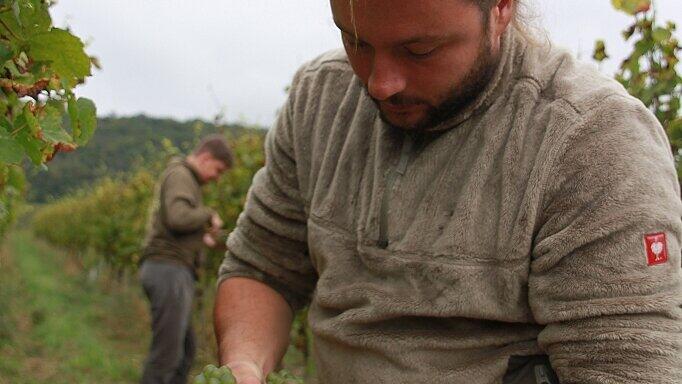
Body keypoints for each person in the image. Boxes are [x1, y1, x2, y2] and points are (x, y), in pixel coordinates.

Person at [214, 0, 682, 383]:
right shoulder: (321, 100)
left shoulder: (591, 141)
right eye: (355, 41)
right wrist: (246, 364)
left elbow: (627, 366)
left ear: (500, 8)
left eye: (419, 50)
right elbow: (263, 267)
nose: (380, 84)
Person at [139, 134, 232, 384]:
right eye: (218, 170)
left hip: (170, 269)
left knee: (184, 350)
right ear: (205, 157)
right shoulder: (181, 175)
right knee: (167, 356)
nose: (216, 177)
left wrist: (203, 237)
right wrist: (208, 215)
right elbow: (178, 217)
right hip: (168, 269)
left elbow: (178, 224)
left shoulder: (186, 178)